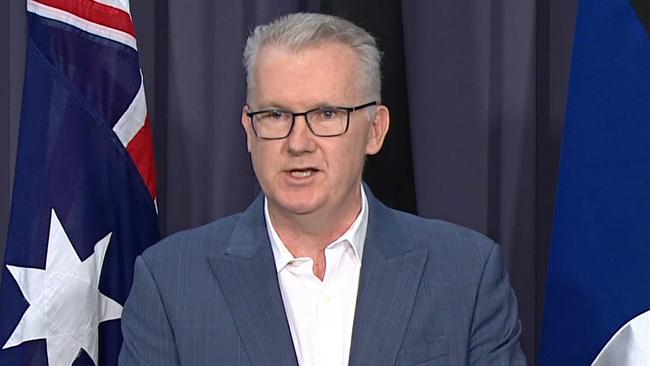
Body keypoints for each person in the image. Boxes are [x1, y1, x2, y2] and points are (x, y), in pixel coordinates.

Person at [119, 12, 526, 366]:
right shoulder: (170, 284)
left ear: (375, 130)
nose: (298, 142)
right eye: (276, 115)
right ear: (249, 129)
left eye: (326, 114)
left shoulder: (466, 276)